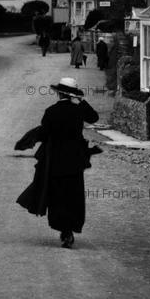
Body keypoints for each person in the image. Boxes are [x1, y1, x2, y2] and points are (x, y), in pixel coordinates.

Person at [17, 78, 98, 249]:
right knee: (73, 196)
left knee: (58, 196)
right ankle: (70, 229)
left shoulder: (51, 111)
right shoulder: (78, 111)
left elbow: (45, 134)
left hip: (55, 160)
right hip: (75, 160)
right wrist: (81, 102)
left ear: (59, 93)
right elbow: (94, 117)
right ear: (72, 95)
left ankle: (64, 231)